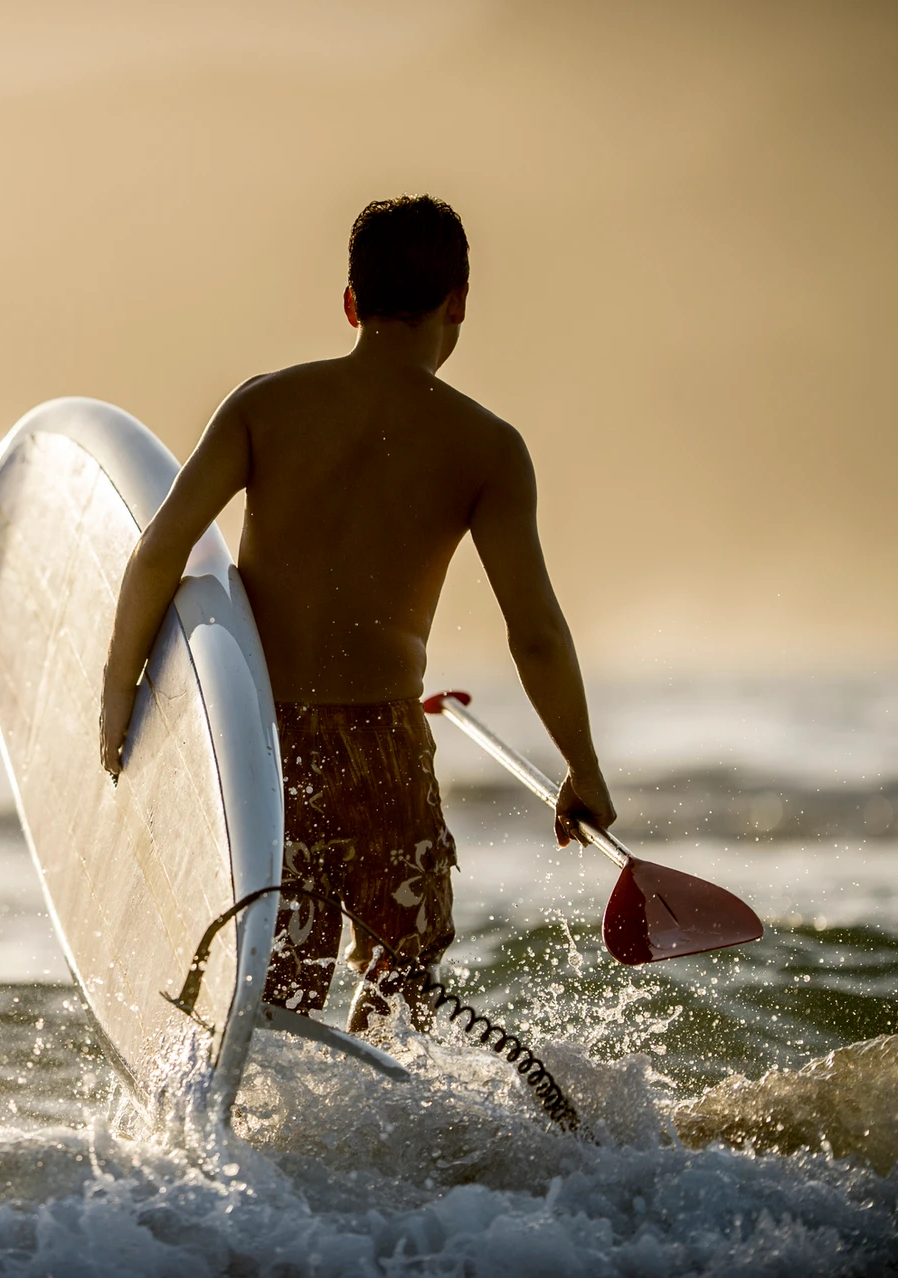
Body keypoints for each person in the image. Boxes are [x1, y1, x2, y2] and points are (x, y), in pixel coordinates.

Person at [97, 195, 616, 1035]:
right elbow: (537, 635)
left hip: (267, 747)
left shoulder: (265, 407)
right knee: (402, 980)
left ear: (350, 304)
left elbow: (159, 554)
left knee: (279, 981)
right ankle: (381, 1135)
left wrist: (120, 696)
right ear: (458, 306)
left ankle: (265, 1134)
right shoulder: (485, 446)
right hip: (385, 750)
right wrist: (581, 769)